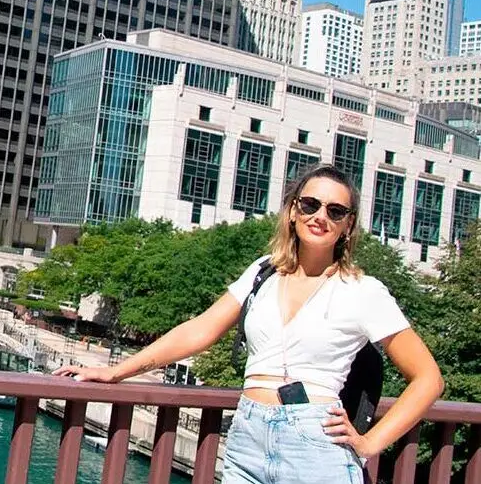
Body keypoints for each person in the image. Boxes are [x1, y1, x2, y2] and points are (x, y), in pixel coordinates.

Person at [52, 164, 442, 483]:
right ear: (293, 210)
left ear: (347, 226)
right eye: (310, 204)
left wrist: (371, 443)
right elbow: (200, 329)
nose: (320, 216)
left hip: (316, 443)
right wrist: (116, 372)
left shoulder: (363, 290)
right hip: (248, 436)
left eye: (335, 211)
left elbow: (428, 378)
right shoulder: (263, 272)